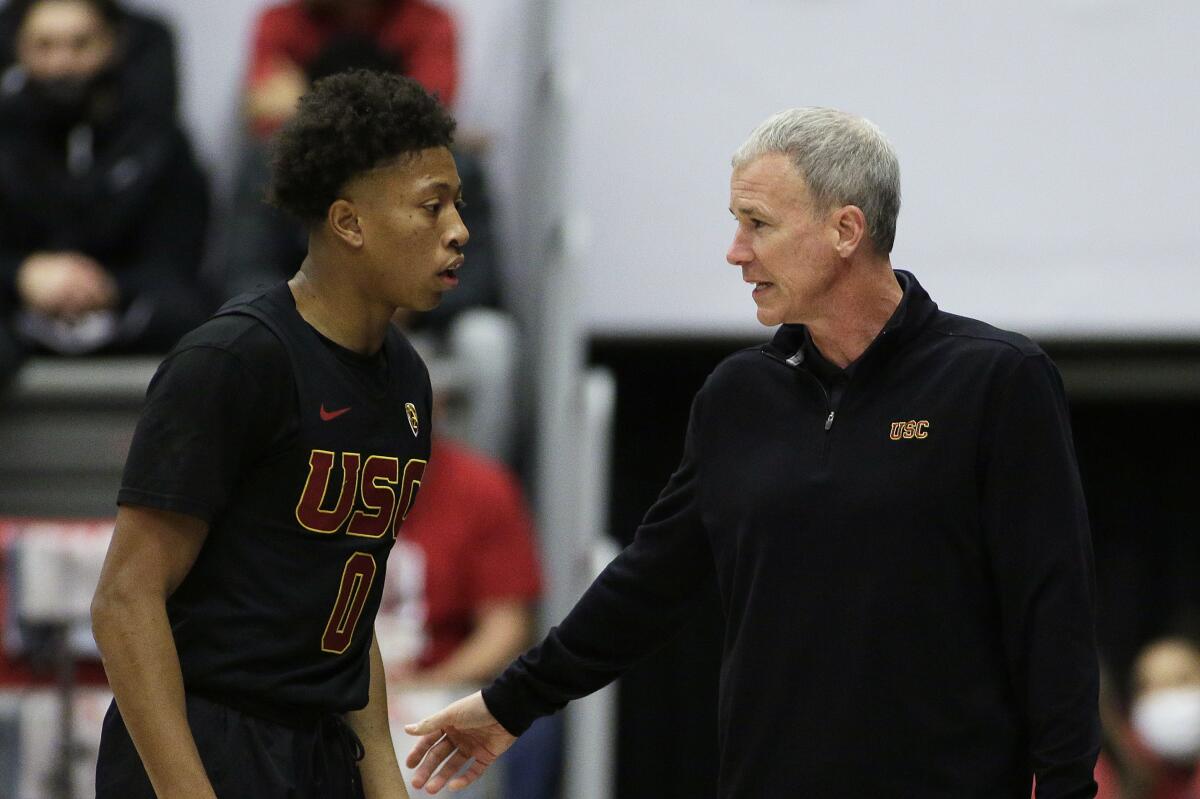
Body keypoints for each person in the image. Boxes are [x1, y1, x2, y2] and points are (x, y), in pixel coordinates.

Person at [404, 107, 1102, 797]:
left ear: (845, 230)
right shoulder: (738, 396)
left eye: (758, 223)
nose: (736, 250)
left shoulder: (996, 380)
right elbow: (646, 584)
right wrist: (509, 704)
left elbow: (1053, 610)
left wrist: (1067, 788)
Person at [89, 69, 468, 799]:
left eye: (458, 203)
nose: (459, 229)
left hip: (320, 750)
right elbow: (124, 601)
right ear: (349, 223)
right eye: (432, 206)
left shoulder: (407, 380)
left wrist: (386, 784)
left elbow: (347, 619)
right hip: (205, 739)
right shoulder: (233, 359)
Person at [0, 0, 208, 381]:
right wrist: (23, 274)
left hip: (131, 310)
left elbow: (178, 260)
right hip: (16, 312)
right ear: (19, 49)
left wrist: (108, 286)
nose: (62, 63)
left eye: (80, 44)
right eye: (44, 46)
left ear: (112, 44)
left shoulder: (158, 141)